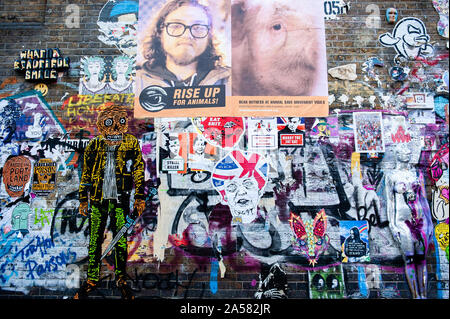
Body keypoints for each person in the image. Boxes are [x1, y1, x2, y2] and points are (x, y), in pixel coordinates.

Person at [74, 103, 145, 300]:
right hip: (98, 200)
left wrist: (139, 197)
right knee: (95, 240)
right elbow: (86, 174)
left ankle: (121, 278)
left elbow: (138, 170)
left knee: (120, 240)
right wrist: (83, 199)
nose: (114, 127)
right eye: (109, 123)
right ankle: (92, 279)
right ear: (102, 124)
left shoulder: (130, 143)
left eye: (120, 122)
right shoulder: (95, 145)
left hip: (120, 201)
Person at [136, 0, 230, 91]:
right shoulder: (135, 82)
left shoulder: (231, 82)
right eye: (176, 26)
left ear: (209, 37)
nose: (187, 35)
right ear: (160, 33)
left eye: (198, 27)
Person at [385, 143, 433, 299]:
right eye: (403, 152)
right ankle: (415, 295)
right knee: (410, 258)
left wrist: (430, 223)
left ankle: (423, 295)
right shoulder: (391, 176)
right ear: (397, 154)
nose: (407, 154)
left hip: (420, 220)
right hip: (402, 222)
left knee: (421, 258)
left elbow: (424, 199)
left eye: (408, 152)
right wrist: (392, 225)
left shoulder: (416, 173)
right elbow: (390, 202)